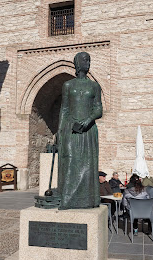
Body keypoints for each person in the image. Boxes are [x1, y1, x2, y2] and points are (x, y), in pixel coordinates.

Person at [57, 52, 103, 209]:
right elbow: (64, 110)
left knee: (88, 166)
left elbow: (99, 109)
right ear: (77, 63)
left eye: (89, 60)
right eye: (84, 60)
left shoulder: (94, 86)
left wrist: (89, 120)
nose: (87, 62)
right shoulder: (68, 85)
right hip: (71, 129)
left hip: (88, 131)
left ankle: (88, 200)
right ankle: (67, 199)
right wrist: (60, 133)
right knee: (69, 162)